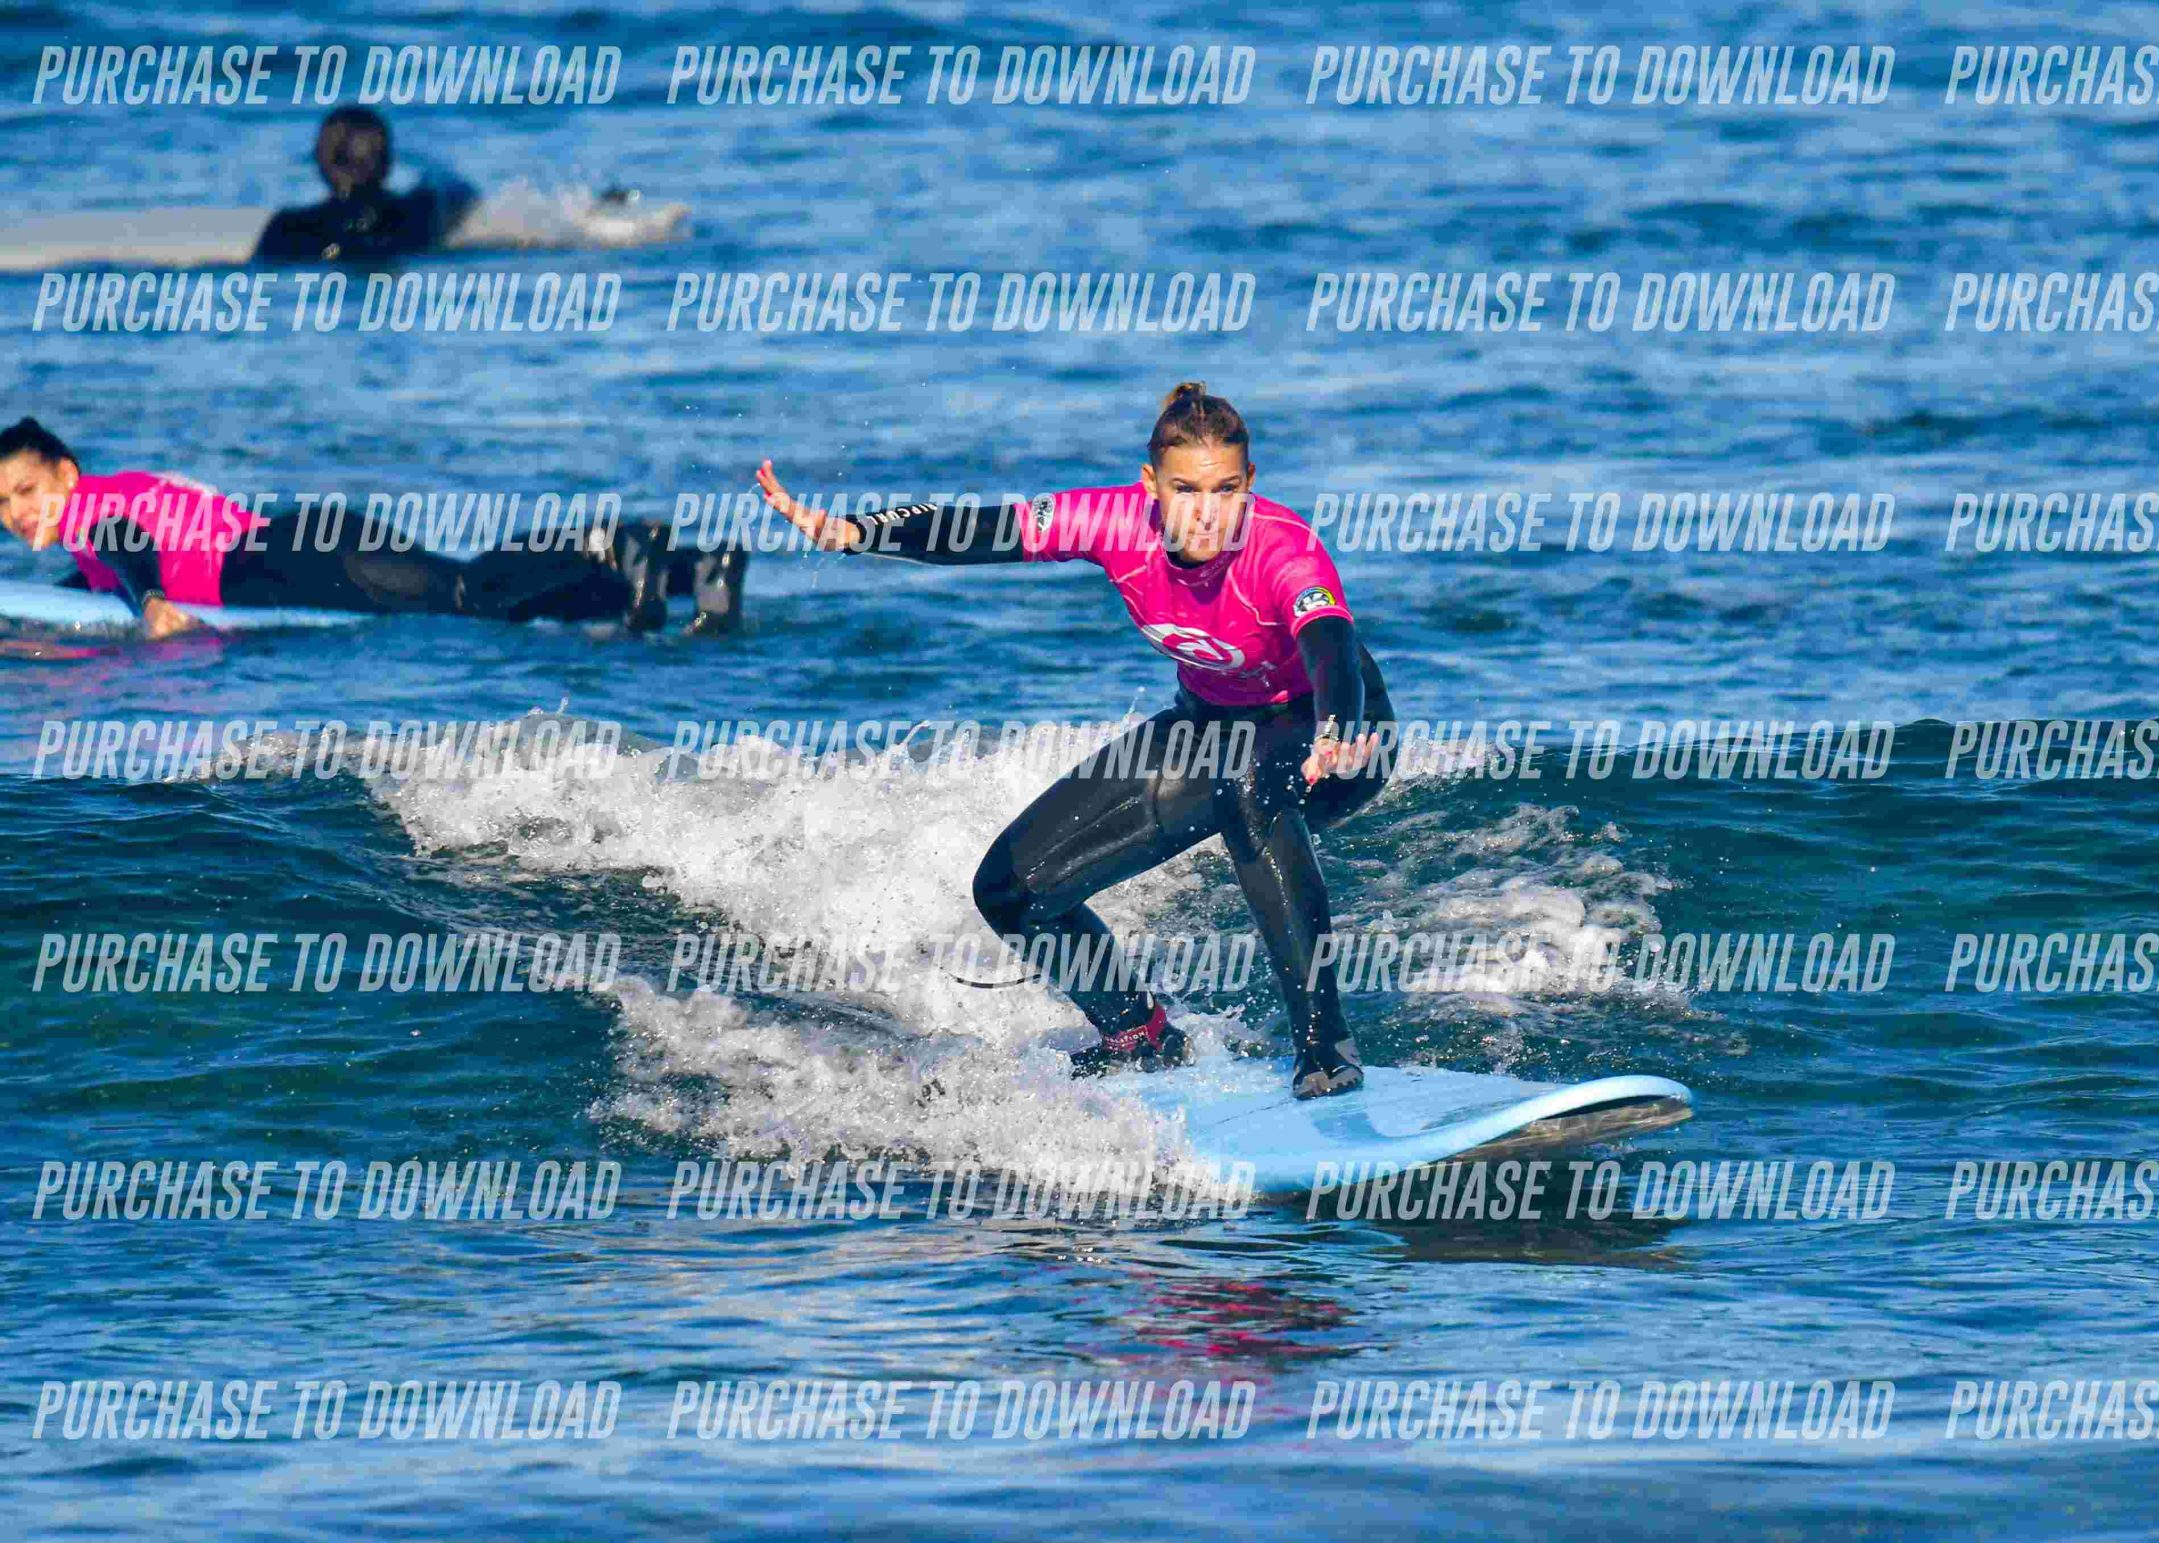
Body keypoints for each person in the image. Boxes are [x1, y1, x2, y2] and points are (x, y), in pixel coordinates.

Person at [754, 382, 1393, 1099]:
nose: (1206, 512)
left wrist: (1339, 727)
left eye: (1225, 490)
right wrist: (854, 532)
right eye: (1185, 489)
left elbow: (1329, 644)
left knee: (1249, 787)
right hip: (1212, 721)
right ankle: (1139, 1033)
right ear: (1150, 485)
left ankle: (1325, 1048)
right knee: (1011, 890)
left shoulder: (1282, 546)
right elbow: (985, 529)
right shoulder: (1114, 521)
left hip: (1332, 727)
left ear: (1250, 483)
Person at [0, 417, 748, 638]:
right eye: (2, 505)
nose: (17, 512)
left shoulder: (95, 512)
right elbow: (101, 568)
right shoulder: (109, 503)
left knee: (471, 592)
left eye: (26, 490)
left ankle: (603, 541)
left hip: (296, 559)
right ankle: (691, 573)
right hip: (306, 546)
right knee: (496, 603)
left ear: (67, 473)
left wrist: (151, 603)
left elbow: (125, 550)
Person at [253, 106, 476, 265]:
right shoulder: (421, 209)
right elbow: (457, 188)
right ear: (387, 164)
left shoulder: (287, 228)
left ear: (322, 164)